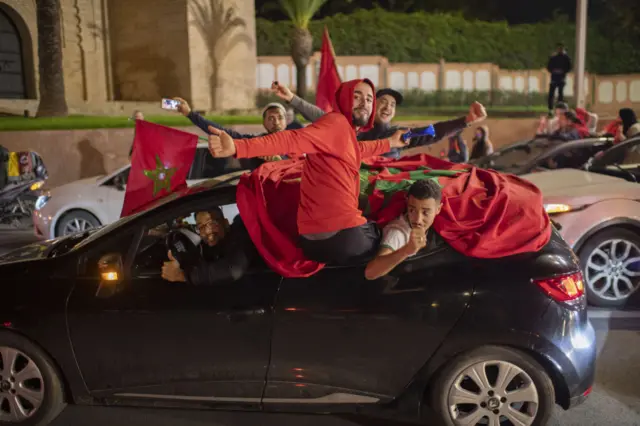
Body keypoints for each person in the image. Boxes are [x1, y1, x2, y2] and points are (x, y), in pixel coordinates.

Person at [207, 78, 414, 265]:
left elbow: (359, 150)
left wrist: (390, 142)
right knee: (391, 236)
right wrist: (238, 147)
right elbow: (290, 139)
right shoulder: (335, 124)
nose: (364, 103)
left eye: (369, 99)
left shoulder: (344, 134)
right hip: (342, 234)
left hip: (311, 242)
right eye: (356, 96)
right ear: (343, 99)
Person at [271, 82, 483, 158]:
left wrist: (466, 120)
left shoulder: (398, 134)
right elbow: (318, 115)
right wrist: (291, 98)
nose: (388, 107)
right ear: (371, 106)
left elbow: (431, 133)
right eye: (381, 101)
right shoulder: (349, 128)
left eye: (392, 105)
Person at [364, 179, 442, 280]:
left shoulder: (442, 224)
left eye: (425, 213)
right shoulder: (397, 233)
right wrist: (407, 250)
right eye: (412, 210)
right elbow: (370, 273)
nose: (418, 220)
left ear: (438, 209)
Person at [172, 97, 287, 164]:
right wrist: (190, 114)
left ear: (286, 121)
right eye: (271, 118)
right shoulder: (255, 142)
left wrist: (279, 162)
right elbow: (221, 132)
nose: (276, 122)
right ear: (264, 123)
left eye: (280, 118)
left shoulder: (298, 141)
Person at [161, 208, 257, 285]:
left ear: (226, 223)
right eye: (201, 227)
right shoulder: (212, 244)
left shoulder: (240, 235)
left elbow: (233, 269)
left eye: (212, 223)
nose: (207, 231)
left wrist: (182, 275)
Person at [546, 43, 572, 115]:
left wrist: (563, 71)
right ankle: (550, 110)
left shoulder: (566, 58)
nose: (560, 49)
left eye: (561, 48)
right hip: (554, 78)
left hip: (561, 78)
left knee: (560, 95)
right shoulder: (553, 57)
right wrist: (553, 70)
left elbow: (569, 67)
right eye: (558, 48)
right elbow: (548, 67)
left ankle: (560, 110)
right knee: (551, 94)